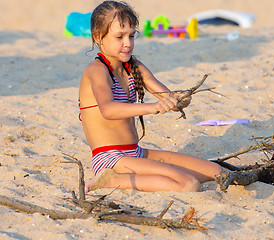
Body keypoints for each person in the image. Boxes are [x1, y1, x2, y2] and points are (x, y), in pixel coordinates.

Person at [78, 0, 227, 193]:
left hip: (135, 152)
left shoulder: (134, 66)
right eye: (119, 37)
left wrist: (179, 100)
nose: (127, 44)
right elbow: (108, 109)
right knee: (188, 184)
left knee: (218, 172)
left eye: (131, 36)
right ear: (98, 37)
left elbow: (166, 97)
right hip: (110, 158)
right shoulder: (97, 70)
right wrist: (154, 106)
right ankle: (108, 181)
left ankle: (133, 176)